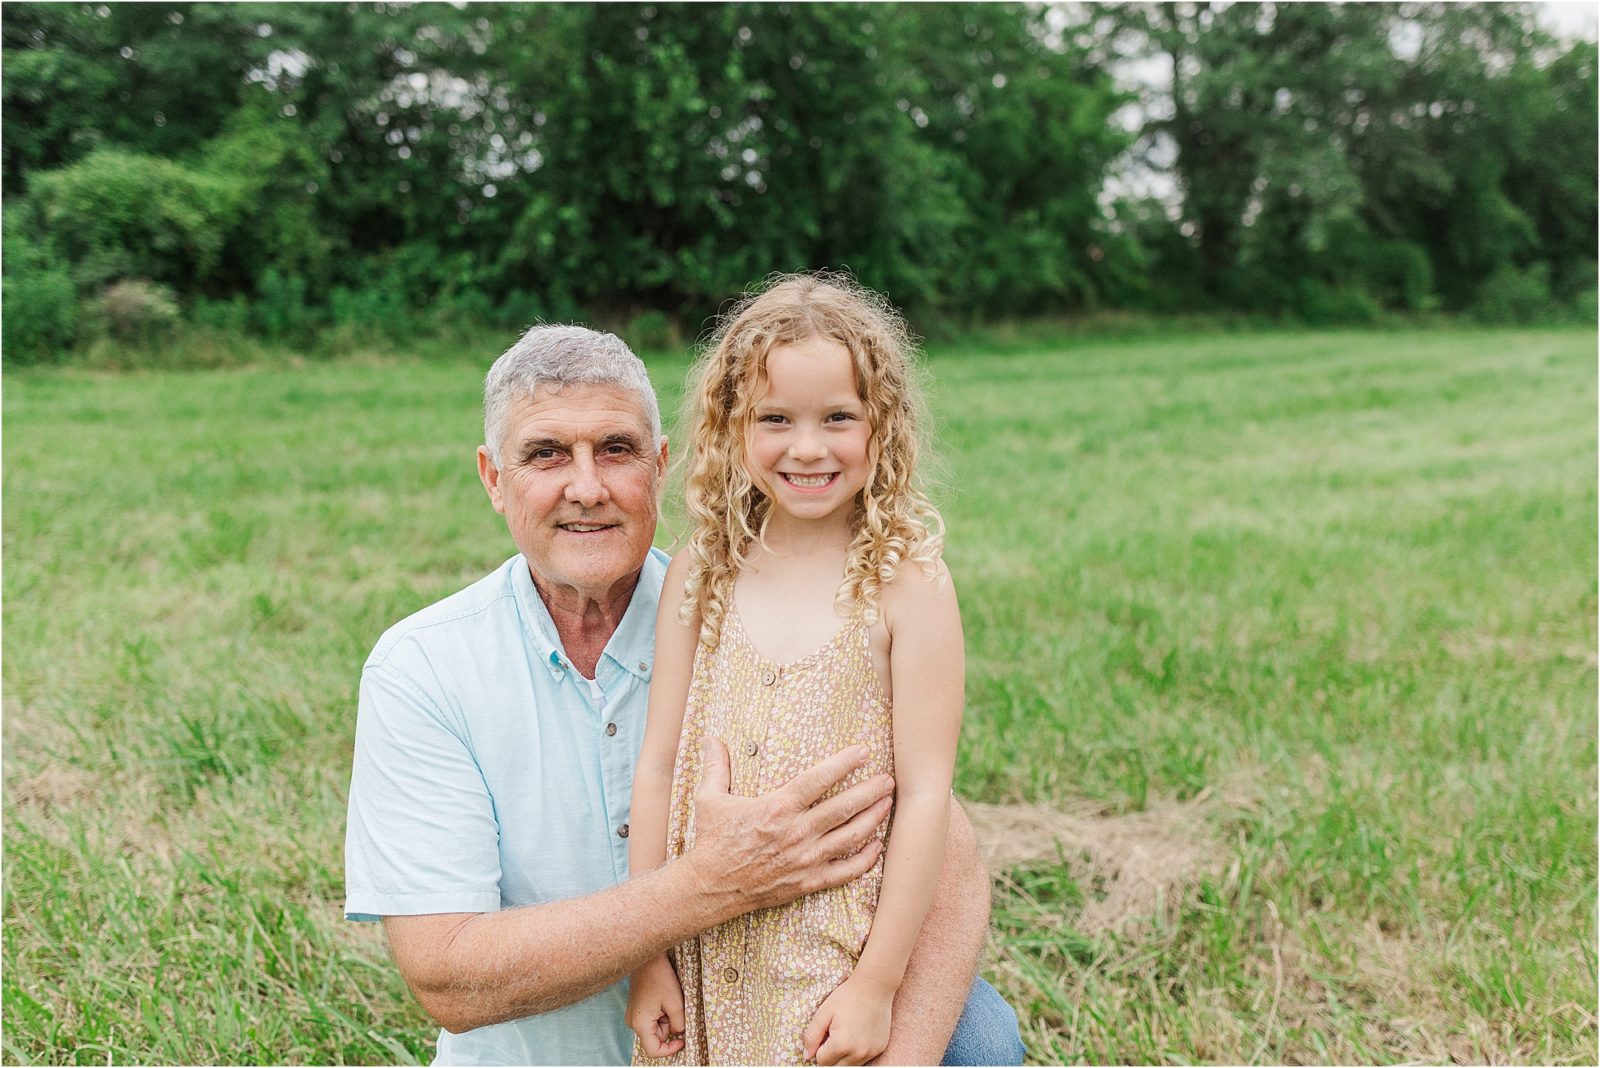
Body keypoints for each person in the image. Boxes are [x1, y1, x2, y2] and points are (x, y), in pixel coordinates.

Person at [343, 323, 1026, 1066]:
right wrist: (706, 886)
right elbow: (447, 976)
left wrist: (908, 1041)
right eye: (545, 454)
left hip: (782, 1001)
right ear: (492, 477)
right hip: (591, 1043)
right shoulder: (423, 668)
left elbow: (941, 841)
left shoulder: (760, 608)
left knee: (980, 1040)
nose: (587, 487)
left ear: (661, 466)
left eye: (617, 450)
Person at [627, 274, 963, 1067]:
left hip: (830, 954)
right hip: (703, 945)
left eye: (838, 418)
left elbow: (925, 798)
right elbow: (658, 764)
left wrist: (877, 985)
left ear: (882, 426)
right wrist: (647, 958)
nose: (807, 448)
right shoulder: (704, 570)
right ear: (731, 427)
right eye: (774, 419)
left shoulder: (905, 582)